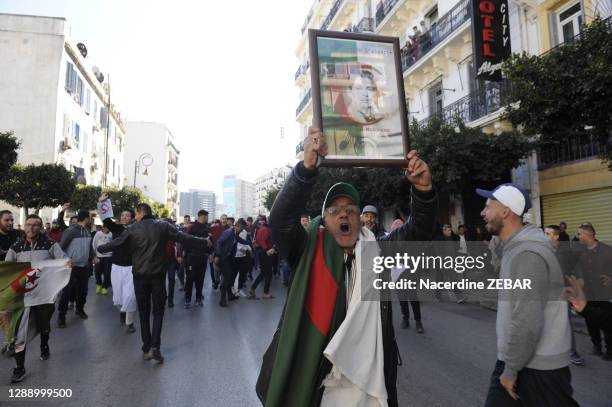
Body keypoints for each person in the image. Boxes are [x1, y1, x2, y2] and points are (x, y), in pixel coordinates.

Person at [256, 127, 437, 407]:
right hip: (317, 381)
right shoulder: (305, 250)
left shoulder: (379, 250)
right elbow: (280, 222)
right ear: (325, 220)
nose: (344, 214)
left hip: (367, 384)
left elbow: (419, 233)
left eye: (351, 210)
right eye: (335, 210)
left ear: (361, 221)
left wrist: (423, 190)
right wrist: (305, 171)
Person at [478, 184, 577, 406]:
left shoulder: (527, 254)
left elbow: (528, 320)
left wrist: (511, 370)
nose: (483, 213)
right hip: (523, 360)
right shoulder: (515, 248)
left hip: (537, 369)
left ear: (505, 211)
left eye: (488, 206)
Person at [98, 203, 209, 363]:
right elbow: (184, 238)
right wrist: (204, 241)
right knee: (158, 312)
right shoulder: (163, 226)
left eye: (135, 214)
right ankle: (155, 347)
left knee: (143, 313)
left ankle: (146, 347)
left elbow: (117, 243)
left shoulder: (133, 229)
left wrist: (100, 249)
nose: (135, 217)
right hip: (157, 275)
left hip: (139, 276)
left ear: (140, 213)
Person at [5, 214, 66, 383]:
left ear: (41, 228)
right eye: (28, 224)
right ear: (24, 226)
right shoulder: (16, 247)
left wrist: (65, 268)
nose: (31, 228)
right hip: (22, 298)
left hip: (44, 295)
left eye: (35, 225)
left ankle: (44, 344)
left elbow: (62, 262)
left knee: (43, 325)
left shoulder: (50, 245)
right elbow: (8, 269)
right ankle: (19, 368)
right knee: (19, 334)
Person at [544, 225, 585, 366]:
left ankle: (572, 352)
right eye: (545, 233)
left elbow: (577, 269)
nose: (545, 236)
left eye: (548, 233)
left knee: (565, 322)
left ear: (555, 236)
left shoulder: (566, 251)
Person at [98, 195, 137, 333]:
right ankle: (122, 311)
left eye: (127, 215)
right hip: (116, 266)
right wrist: (102, 202)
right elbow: (106, 219)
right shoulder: (116, 228)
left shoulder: (137, 229)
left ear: (132, 218)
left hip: (132, 267)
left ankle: (130, 322)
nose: (124, 217)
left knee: (130, 295)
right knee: (119, 295)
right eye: (122, 215)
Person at [573, 223, 612, 361]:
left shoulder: (607, 250)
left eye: (579, 234)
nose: (577, 237)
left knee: (608, 323)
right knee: (591, 321)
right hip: (588, 293)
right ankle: (596, 346)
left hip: (604, 294)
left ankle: (610, 350)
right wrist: (580, 278)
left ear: (588, 235)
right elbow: (577, 268)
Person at [58, 210, 94, 326]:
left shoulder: (88, 231)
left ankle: (80, 309)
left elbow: (90, 247)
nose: (90, 219)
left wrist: (92, 257)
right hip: (71, 266)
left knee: (83, 290)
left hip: (84, 266)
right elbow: (61, 247)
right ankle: (61, 316)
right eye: (89, 218)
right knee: (67, 292)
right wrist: (66, 261)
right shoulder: (70, 231)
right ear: (86, 219)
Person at [214, 218, 250, 307]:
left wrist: (249, 243)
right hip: (223, 258)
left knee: (229, 277)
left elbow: (239, 240)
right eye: (242, 228)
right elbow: (219, 242)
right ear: (239, 226)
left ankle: (229, 295)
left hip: (229, 257)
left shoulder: (235, 233)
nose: (242, 230)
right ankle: (222, 300)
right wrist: (217, 255)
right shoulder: (229, 232)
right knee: (227, 277)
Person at [183, 209, 212, 308]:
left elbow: (210, 244)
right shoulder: (192, 228)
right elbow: (186, 242)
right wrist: (185, 257)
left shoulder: (207, 228)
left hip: (203, 258)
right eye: (206, 216)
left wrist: (210, 252)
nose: (207, 218)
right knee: (190, 279)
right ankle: (187, 299)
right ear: (202, 217)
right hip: (192, 257)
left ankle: (198, 299)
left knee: (200, 279)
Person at [248, 215, 277, 300]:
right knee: (268, 273)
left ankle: (254, 289)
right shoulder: (265, 229)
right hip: (266, 252)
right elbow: (261, 240)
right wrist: (266, 249)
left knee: (265, 273)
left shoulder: (262, 229)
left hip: (263, 252)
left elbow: (258, 240)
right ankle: (264, 292)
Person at [233, 218, 253, 297]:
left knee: (243, 272)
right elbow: (236, 244)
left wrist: (250, 249)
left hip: (243, 255)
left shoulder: (244, 232)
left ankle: (239, 288)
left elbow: (244, 242)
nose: (243, 229)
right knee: (234, 273)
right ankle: (231, 288)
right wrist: (243, 249)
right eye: (242, 227)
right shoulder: (233, 231)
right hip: (235, 256)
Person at [92, 225, 112, 296]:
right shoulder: (98, 234)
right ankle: (99, 284)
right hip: (98, 256)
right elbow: (94, 244)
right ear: (103, 227)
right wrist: (94, 255)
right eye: (105, 227)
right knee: (97, 272)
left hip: (108, 256)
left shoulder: (111, 234)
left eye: (108, 227)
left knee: (107, 273)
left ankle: (105, 287)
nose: (106, 228)